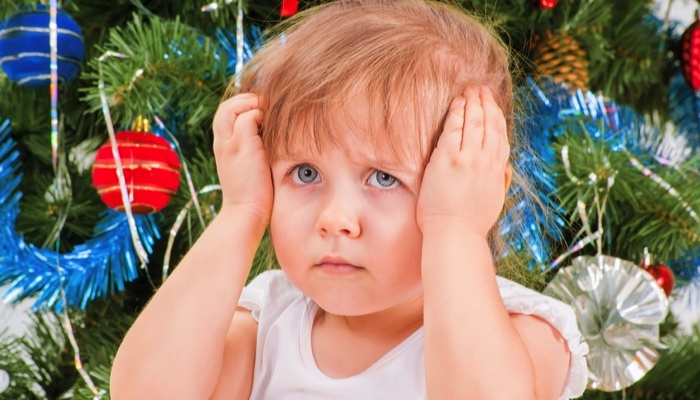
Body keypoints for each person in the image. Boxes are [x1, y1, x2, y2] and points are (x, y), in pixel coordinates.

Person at [110, 0, 588, 399]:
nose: (335, 220)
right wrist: (242, 212)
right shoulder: (269, 324)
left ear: (477, 188)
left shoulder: (526, 333)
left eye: (383, 178)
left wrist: (455, 227)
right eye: (305, 172)